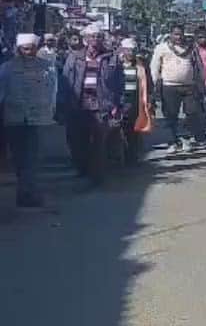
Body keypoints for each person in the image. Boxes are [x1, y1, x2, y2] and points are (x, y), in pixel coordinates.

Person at [60, 24, 124, 187]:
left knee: (99, 142)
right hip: (78, 105)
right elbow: (65, 81)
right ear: (85, 39)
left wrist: (117, 104)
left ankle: (97, 175)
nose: (95, 40)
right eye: (91, 37)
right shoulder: (74, 57)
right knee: (77, 141)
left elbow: (119, 83)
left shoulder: (112, 58)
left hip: (101, 106)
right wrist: (62, 105)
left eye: (98, 37)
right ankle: (82, 169)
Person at [0, 33, 58, 210]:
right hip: (14, 118)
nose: (28, 52)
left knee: (32, 158)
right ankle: (24, 192)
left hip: (38, 119)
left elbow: (53, 91)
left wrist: (52, 110)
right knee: (19, 158)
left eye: (31, 48)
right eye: (25, 49)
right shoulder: (6, 69)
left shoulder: (48, 67)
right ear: (18, 49)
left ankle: (29, 193)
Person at [150, 23, 206, 153]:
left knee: (192, 113)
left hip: (189, 86)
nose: (178, 37)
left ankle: (186, 138)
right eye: (175, 34)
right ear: (170, 34)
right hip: (169, 86)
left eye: (180, 34)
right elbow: (154, 67)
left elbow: (199, 65)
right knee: (171, 115)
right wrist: (153, 86)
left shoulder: (191, 48)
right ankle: (173, 141)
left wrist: (202, 83)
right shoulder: (161, 48)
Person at [116, 37, 153, 166]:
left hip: (135, 102)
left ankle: (132, 156)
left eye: (133, 50)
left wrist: (149, 99)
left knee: (133, 131)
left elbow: (148, 83)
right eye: (128, 50)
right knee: (118, 130)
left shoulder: (141, 65)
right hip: (119, 102)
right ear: (122, 50)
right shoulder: (116, 64)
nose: (131, 53)